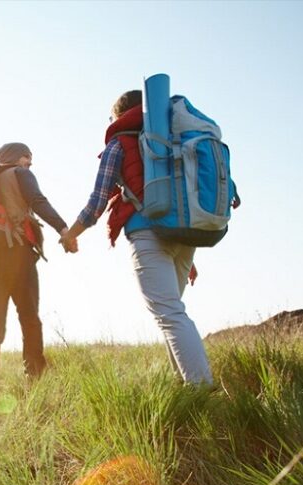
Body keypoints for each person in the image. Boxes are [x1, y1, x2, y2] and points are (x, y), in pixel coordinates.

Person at [61, 90, 240, 385]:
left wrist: (71, 234)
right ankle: (183, 385)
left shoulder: (119, 143)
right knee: (172, 314)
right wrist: (186, 253)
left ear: (119, 116)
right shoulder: (173, 141)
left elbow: (97, 201)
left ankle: (202, 390)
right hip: (185, 236)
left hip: (148, 233)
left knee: (169, 314)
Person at [0, 142, 73, 388]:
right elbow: (38, 201)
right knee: (29, 316)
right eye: (28, 157)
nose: (30, 162)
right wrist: (63, 228)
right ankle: (35, 374)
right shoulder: (20, 174)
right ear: (18, 157)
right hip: (17, 254)